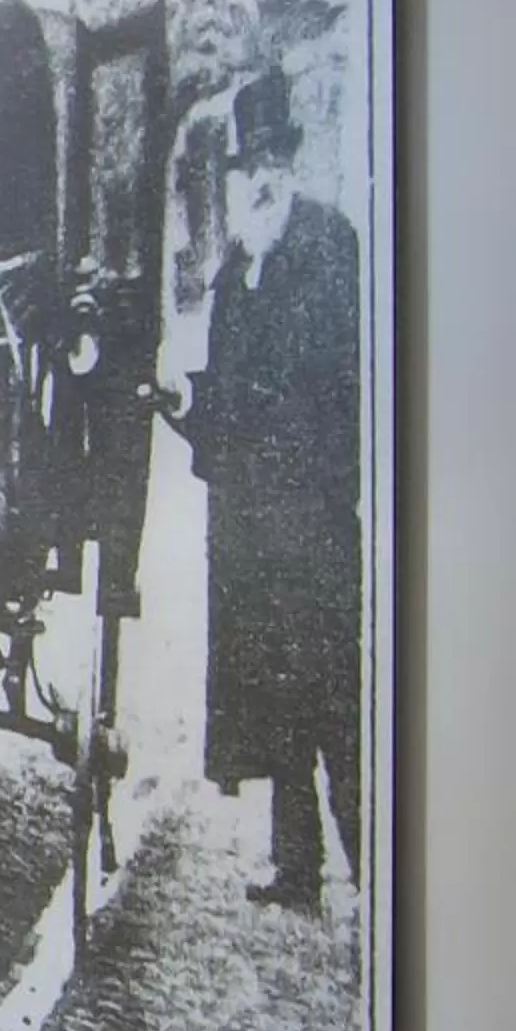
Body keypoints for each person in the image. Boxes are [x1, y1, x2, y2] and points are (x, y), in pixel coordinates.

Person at [158, 67, 363, 911]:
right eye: (249, 164)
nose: (261, 174)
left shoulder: (327, 245)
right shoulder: (240, 266)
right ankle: (298, 869)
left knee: (332, 702)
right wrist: (187, 403)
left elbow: (340, 387)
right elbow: (231, 401)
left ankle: (374, 859)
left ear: (293, 163)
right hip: (248, 527)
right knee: (277, 697)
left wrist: (316, 493)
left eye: (274, 158)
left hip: (309, 524)